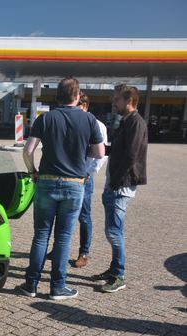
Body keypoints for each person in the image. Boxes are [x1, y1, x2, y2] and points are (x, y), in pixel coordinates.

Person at [19, 77, 105, 300]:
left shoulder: (45, 119)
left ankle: (31, 285)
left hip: (46, 181)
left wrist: (33, 172)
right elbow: (100, 153)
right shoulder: (89, 120)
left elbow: (27, 151)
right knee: (64, 238)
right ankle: (58, 288)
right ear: (77, 96)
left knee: (40, 236)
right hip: (74, 184)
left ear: (58, 96)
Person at [91, 84, 148, 293]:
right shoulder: (127, 122)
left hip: (121, 186)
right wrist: (97, 149)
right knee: (113, 230)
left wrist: (115, 182)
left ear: (129, 101)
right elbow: (119, 150)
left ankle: (119, 275)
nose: (114, 103)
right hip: (116, 184)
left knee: (114, 232)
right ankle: (114, 269)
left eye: (117, 100)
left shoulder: (136, 123)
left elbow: (131, 156)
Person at [47, 92, 108, 267]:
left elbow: (101, 156)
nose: (76, 108)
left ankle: (84, 252)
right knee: (61, 213)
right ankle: (57, 249)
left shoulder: (97, 125)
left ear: (86, 106)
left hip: (84, 177)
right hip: (68, 176)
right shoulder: (70, 121)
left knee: (84, 217)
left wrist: (88, 174)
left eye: (80, 105)